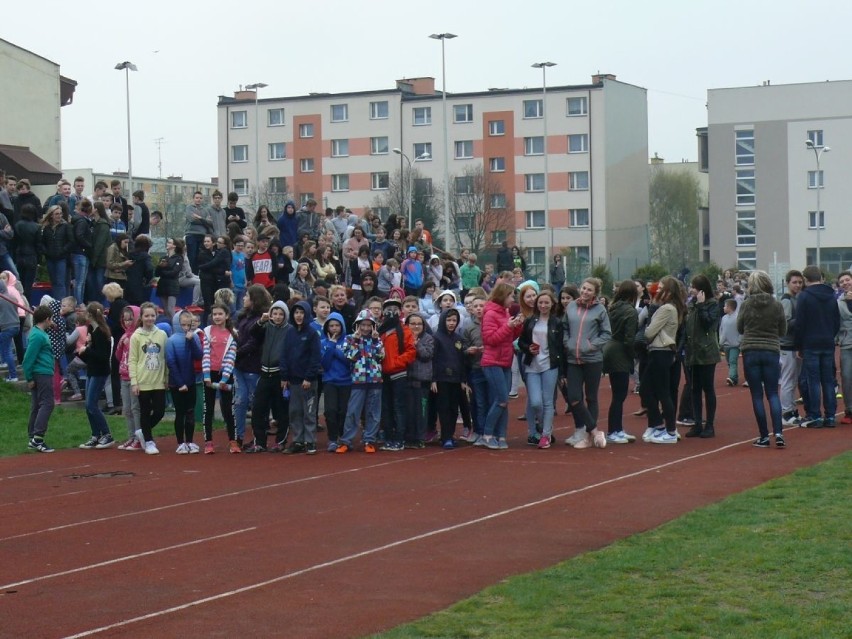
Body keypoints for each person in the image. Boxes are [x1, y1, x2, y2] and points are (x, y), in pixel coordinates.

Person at [737, 270, 787, 448]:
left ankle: (764, 436)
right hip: (771, 350)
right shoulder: (777, 305)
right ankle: (779, 433)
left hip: (751, 350)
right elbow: (782, 330)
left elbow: (740, 327)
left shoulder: (746, 304)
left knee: (756, 394)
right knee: (773, 393)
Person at [562, 277, 612, 449]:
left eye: (589, 290)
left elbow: (606, 333)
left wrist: (591, 345)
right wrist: (567, 343)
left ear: (595, 293)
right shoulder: (571, 306)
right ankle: (595, 431)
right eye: (583, 288)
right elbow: (565, 328)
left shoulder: (600, 310)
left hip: (593, 360)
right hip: (573, 360)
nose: (585, 292)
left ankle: (588, 438)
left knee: (591, 397)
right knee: (574, 397)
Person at [641, 276, 687, 444]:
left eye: (661, 288)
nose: (657, 290)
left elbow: (648, 332)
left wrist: (650, 327)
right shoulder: (671, 307)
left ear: (669, 291)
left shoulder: (666, 308)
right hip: (661, 351)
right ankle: (658, 425)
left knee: (661, 392)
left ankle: (670, 430)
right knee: (649, 389)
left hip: (661, 351)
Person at [794, 265, 840, 428]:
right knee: (828, 380)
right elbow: (836, 321)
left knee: (813, 380)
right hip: (827, 342)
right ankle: (830, 416)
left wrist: (799, 345)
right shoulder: (831, 296)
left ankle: (815, 415)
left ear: (806, 280)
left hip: (810, 342)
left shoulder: (804, 297)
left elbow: (800, 323)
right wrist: (830, 335)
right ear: (820, 277)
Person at [518, 290, 564, 449]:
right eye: (540, 302)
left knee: (547, 402)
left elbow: (560, 348)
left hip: (549, 366)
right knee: (535, 402)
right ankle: (541, 426)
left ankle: (545, 435)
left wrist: (562, 372)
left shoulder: (557, 323)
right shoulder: (530, 321)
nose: (543, 305)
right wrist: (527, 348)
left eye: (546, 302)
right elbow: (521, 342)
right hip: (532, 365)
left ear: (552, 304)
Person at [481, 282, 524, 450]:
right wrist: (508, 326)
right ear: (502, 296)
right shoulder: (490, 314)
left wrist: (517, 326)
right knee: (502, 399)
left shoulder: (505, 312)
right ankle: (487, 434)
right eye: (511, 296)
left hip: (505, 361)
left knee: (502, 401)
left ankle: (501, 434)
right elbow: (490, 339)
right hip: (492, 362)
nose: (512, 299)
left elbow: (509, 336)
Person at [335, 311, 385, 453]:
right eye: (362, 325)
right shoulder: (349, 339)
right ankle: (346, 441)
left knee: (373, 412)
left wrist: (375, 341)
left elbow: (380, 357)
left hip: (375, 379)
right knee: (352, 411)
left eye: (369, 325)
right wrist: (356, 341)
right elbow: (351, 357)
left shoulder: (377, 339)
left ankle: (369, 440)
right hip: (358, 380)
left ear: (373, 326)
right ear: (357, 325)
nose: (365, 328)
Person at [246, 300, 291, 452]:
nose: (277, 317)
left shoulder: (289, 330)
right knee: (258, 408)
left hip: (280, 375)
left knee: (281, 410)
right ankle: (259, 441)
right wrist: (260, 321)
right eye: (275, 313)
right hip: (265, 373)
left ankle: (281, 441)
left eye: (280, 314)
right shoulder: (266, 327)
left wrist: (287, 376)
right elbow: (251, 332)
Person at [280, 300, 322, 454]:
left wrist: (309, 377)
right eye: (296, 312)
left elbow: (315, 357)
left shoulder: (312, 334)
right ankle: (298, 440)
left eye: (302, 313)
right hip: (293, 380)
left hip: (308, 381)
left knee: (309, 411)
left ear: (307, 314)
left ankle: (310, 441)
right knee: (295, 411)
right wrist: (284, 376)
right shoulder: (289, 333)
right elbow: (284, 354)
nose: (299, 316)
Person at [683, 274, 721, 439]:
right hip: (692, 352)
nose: (691, 289)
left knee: (708, 388)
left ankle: (710, 425)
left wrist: (701, 305)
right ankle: (697, 423)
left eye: (694, 287)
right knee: (694, 389)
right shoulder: (691, 306)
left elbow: (708, 323)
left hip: (707, 352)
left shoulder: (712, 305)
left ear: (701, 290)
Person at [602, 280, 639, 445]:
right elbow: (629, 339)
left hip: (610, 348)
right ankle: (614, 430)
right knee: (619, 395)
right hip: (620, 353)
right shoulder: (630, 312)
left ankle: (616, 429)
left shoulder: (613, 308)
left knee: (617, 394)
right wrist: (632, 357)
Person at [129, 302, 168, 455]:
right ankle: (149, 441)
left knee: (159, 411)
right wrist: (134, 382)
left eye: (152, 315)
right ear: (142, 317)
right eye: (147, 316)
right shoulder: (136, 336)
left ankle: (143, 432)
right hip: (143, 380)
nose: (150, 318)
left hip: (158, 380)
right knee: (145, 411)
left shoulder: (162, 335)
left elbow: (165, 357)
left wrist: (166, 377)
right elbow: (132, 360)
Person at [233, 285, 270, 448]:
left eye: (247, 296)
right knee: (239, 401)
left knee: (256, 402)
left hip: (252, 365)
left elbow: (253, 343)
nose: (243, 298)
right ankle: (238, 436)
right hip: (239, 365)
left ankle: (258, 437)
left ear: (254, 299)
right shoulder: (242, 317)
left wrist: (235, 354)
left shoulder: (260, 320)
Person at [378, 298, 416, 451]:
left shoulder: (404, 330)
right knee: (386, 407)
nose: (391, 312)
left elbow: (411, 351)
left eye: (394, 309)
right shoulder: (379, 331)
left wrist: (396, 363)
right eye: (387, 309)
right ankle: (388, 437)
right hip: (382, 375)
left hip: (398, 374)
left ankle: (399, 438)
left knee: (399, 407)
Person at [76, 302, 115, 449]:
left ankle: (106, 434)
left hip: (99, 371)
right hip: (92, 370)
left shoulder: (101, 333)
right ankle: (96, 434)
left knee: (92, 404)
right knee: (88, 405)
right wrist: (85, 352)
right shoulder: (92, 330)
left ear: (90, 315)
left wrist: (87, 350)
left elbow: (103, 357)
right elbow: (92, 356)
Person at [202, 303, 239, 453]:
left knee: (228, 408)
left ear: (227, 316)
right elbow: (205, 353)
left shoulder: (233, 333)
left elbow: (231, 357)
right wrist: (206, 376)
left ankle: (233, 441)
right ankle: (208, 442)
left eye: (220, 314)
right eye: (215, 314)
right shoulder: (207, 331)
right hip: (209, 374)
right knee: (208, 409)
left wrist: (224, 379)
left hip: (225, 374)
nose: (217, 317)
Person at [166, 310, 203, 453]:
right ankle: (180, 442)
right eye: (183, 325)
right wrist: (180, 383)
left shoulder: (193, 337)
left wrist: (192, 340)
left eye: (189, 325)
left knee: (190, 412)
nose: (186, 328)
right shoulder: (171, 340)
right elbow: (171, 362)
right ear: (177, 324)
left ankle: (190, 441)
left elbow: (198, 355)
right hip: (176, 383)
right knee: (180, 413)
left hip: (191, 381)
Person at [24, 306, 57, 452]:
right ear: (47, 319)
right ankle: (38, 437)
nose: (53, 321)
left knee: (37, 405)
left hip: (42, 372)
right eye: (51, 318)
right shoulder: (37, 335)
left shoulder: (39, 332)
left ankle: (33, 437)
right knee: (47, 404)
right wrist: (29, 377)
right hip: (41, 372)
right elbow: (28, 358)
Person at [320, 311, 351, 452]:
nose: (334, 328)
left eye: (337, 325)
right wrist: (331, 345)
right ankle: (332, 438)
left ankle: (343, 437)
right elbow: (324, 363)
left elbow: (348, 361)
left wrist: (335, 350)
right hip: (330, 381)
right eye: (331, 325)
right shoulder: (323, 343)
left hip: (346, 381)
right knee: (330, 411)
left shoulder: (348, 340)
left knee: (343, 411)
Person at [115, 305, 142, 450]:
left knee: (135, 408)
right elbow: (118, 357)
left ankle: (139, 438)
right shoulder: (124, 336)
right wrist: (120, 345)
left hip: (134, 377)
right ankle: (131, 436)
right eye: (125, 320)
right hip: (123, 376)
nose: (127, 323)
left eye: (130, 319)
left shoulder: (137, 336)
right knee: (126, 409)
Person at [778, 270, 804, 425]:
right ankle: (786, 412)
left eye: (800, 282)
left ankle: (791, 409)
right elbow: (785, 325)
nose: (798, 285)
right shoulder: (787, 300)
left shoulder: (796, 299)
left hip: (794, 344)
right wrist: (801, 320)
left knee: (793, 380)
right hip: (787, 345)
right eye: (794, 282)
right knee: (788, 379)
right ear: (788, 283)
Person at [836, 271, 852, 424]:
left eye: (847, 280)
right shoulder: (838, 302)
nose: (845, 283)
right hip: (847, 343)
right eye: (842, 281)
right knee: (846, 377)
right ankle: (849, 410)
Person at [155, 238, 184, 320]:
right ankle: (169, 326)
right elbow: (157, 273)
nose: (167, 244)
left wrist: (163, 271)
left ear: (174, 245)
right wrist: (159, 266)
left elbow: (174, 272)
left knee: (171, 309)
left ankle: (176, 326)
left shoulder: (179, 258)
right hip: (162, 285)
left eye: (169, 242)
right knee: (165, 309)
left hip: (172, 285)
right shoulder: (163, 258)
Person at [185, 191, 212, 272]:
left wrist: (199, 218)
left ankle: (197, 275)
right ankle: (191, 274)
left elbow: (209, 222)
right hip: (191, 235)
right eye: (197, 198)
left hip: (202, 236)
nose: (198, 200)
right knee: (192, 257)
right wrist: (203, 220)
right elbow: (191, 219)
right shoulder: (189, 208)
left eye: (200, 198)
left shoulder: (205, 210)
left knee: (199, 257)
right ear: (193, 199)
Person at [719, 299, 741, 387]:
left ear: (730, 307)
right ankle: (734, 378)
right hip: (726, 345)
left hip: (735, 345)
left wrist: (739, 341)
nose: (723, 307)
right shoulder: (724, 318)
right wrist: (721, 341)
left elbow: (741, 331)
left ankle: (731, 377)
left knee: (732, 361)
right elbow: (722, 330)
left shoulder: (738, 318)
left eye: (725, 306)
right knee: (729, 361)